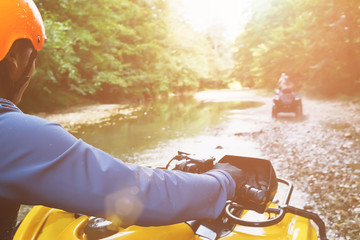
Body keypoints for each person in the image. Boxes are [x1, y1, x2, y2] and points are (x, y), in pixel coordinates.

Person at [0, 1, 250, 239]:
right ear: (14, 61)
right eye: (33, 57)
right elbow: (138, 194)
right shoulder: (12, 133)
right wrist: (224, 180)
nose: (32, 70)